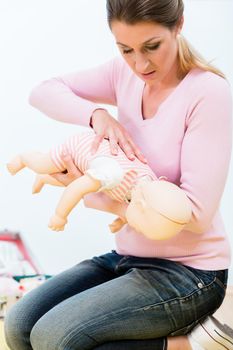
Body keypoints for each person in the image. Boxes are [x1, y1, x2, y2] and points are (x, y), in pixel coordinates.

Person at [4, 0, 233, 349]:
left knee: (55, 337)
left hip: (191, 274)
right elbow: (42, 92)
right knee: (20, 325)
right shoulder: (122, 74)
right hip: (129, 257)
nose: (140, 63)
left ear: (179, 24)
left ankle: (189, 345)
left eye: (152, 47)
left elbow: (197, 215)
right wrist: (96, 115)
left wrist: (106, 203)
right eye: (126, 49)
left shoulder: (209, 94)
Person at [7, 130, 191, 237]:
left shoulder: (148, 185)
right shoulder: (113, 175)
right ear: (140, 205)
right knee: (42, 165)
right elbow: (76, 188)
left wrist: (121, 220)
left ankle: (44, 178)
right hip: (79, 148)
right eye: (139, 227)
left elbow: (131, 207)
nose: (137, 229)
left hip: (96, 166)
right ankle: (24, 158)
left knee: (70, 180)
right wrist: (60, 216)